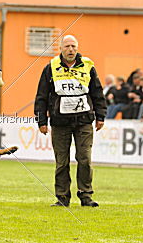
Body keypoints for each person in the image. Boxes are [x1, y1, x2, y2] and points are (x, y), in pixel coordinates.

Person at [34, 35, 106, 207]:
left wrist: (101, 116)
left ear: (77, 47)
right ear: (61, 48)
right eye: (67, 46)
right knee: (62, 162)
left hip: (84, 121)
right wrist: (41, 121)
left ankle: (86, 195)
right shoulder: (50, 67)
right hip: (59, 123)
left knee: (85, 159)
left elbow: (97, 92)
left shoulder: (88, 66)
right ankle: (62, 197)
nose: (71, 49)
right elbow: (41, 96)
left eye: (73, 46)